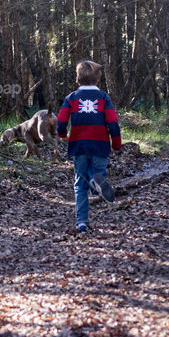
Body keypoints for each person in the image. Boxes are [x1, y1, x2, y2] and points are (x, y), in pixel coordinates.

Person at [56, 60, 122, 234]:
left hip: (78, 144)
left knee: (80, 185)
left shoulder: (71, 98)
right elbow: (113, 122)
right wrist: (116, 144)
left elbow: (61, 121)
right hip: (100, 144)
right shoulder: (103, 98)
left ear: (78, 78)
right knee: (98, 173)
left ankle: (82, 222)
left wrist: (62, 135)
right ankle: (96, 182)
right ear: (97, 79)